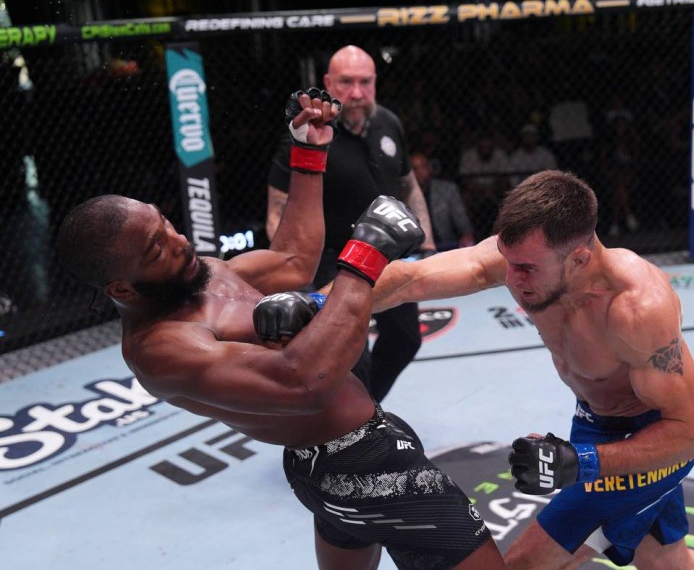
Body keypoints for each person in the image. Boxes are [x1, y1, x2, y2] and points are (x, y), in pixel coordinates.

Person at [55, 90, 505, 570]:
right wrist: (366, 255)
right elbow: (303, 384)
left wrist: (308, 152)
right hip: (363, 463)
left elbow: (292, 259)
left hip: (333, 464)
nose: (180, 241)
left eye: (164, 223)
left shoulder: (198, 274)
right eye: (156, 249)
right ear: (121, 288)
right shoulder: (160, 347)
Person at [321, 170, 694, 569]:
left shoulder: (635, 308)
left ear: (579, 260)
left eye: (526, 268)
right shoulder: (526, 257)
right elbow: (411, 279)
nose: (511, 278)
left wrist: (579, 462)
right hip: (593, 421)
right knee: (668, 563)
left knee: (523, 564)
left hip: (653, 439)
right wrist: (320, 305)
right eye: (508, 261)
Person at [265, 45, 435, 404]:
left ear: (375, 82)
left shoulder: (389, 122)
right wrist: (293, 268)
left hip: (387, 254)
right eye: (346, 82)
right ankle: (357, 420)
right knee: (352, 356)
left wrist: (427, 243)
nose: (357, 92)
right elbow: (278, 205)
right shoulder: (309, 132)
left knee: (406, 338)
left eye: (365, 82)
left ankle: (366, 407)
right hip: (331, 260)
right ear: (328, 83)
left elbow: (408, 184)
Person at [411, 152, 474, 251]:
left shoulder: (447, 190)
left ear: (429, 168)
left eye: (422, 167)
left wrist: (467, 234)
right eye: (415, 169)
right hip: (417, 248)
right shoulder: (404, 193)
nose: (419, 172)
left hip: (446, 244)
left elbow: (460, 216)